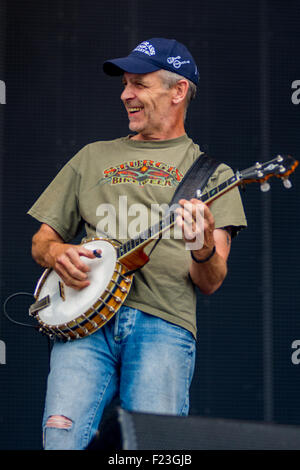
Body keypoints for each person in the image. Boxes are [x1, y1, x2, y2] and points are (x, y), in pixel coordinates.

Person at [28, 38, 247, 450]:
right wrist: (58, 253)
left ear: (178, 90)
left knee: (153, 450)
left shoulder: (213, 174)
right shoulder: (92, 156)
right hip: (82, 324)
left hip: (163, 323)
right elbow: (43, 239)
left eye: (139, 84)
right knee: (62, 440)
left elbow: (211, 279)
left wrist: (201, 247)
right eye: (126, 84)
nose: (126, 94)